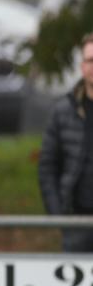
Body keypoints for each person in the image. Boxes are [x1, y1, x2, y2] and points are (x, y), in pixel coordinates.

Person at [39, 33, 93, 252]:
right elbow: (48, 166)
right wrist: (58, 214)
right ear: (82, 66)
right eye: (90, 60)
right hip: (75, 222)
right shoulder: (63, 111)